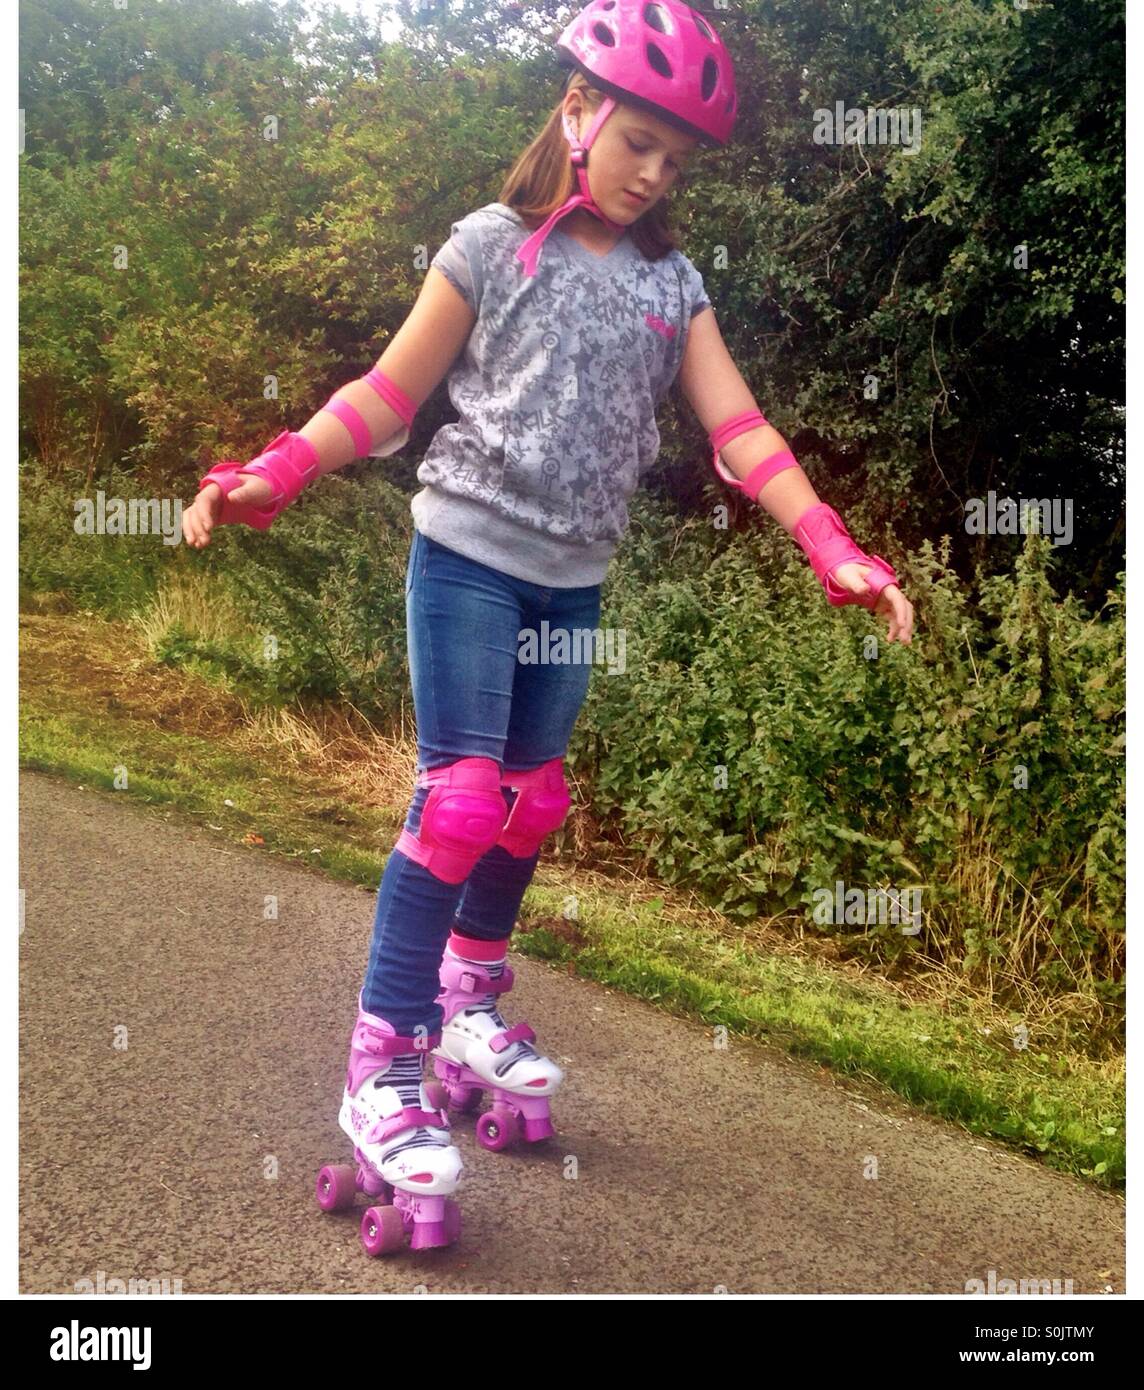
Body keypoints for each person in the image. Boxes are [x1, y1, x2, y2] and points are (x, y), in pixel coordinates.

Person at [182, 0, 914, 1253]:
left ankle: (468, 1000)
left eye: (676, 159)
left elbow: (739, 431)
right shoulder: (485, 245)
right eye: (637, 139)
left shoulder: (671, 287)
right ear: (576, 112)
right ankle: (379, 1068)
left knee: (530, 799)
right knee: (459, 799)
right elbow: (389, 392)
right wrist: (280, 468)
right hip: (466, 558)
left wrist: (827, 542)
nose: (653, 172)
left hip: (572, 584)